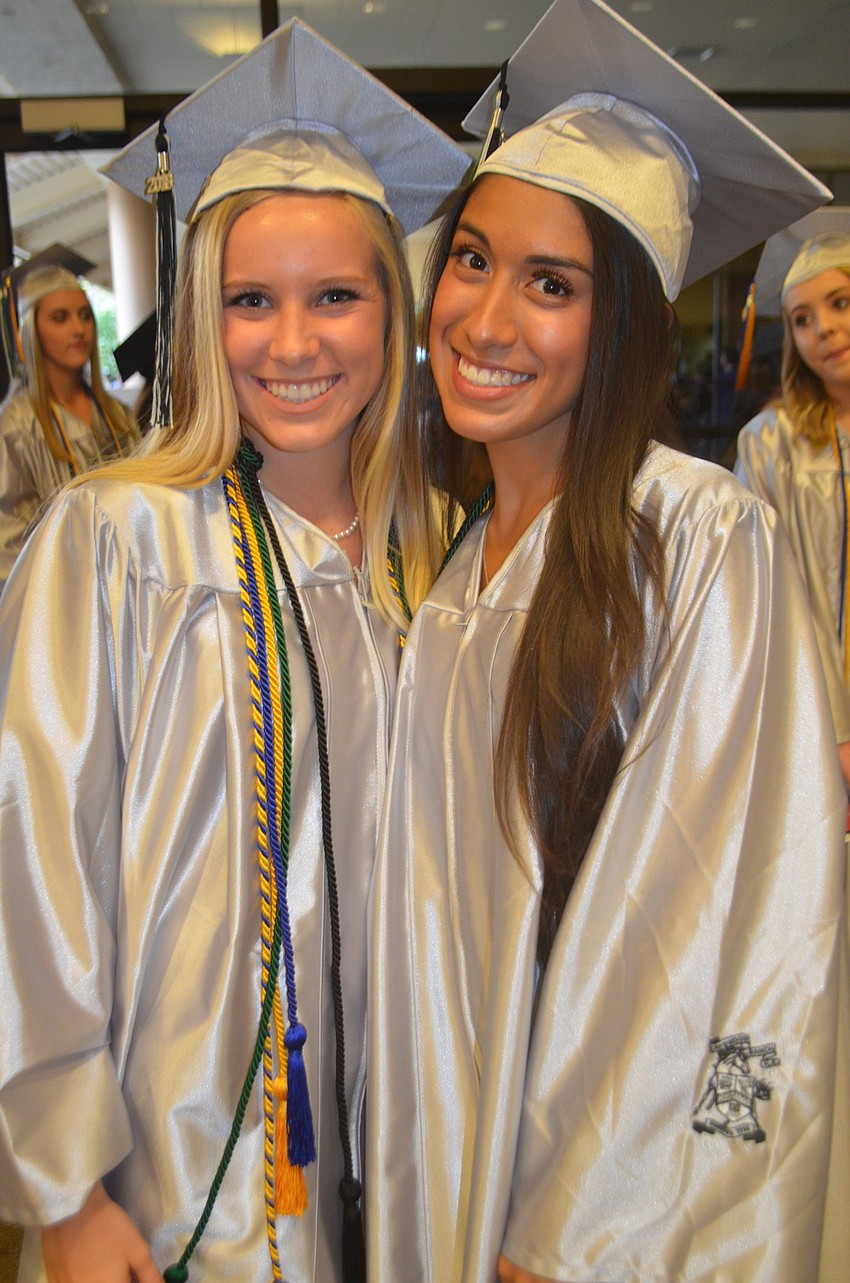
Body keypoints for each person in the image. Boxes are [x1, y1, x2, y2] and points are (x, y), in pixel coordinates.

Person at [365, 1, 848, 1281]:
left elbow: (702, 909)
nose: (485, 317)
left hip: (606, 1217)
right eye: (471, 259)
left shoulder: (691, 534)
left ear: (619, 318)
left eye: (552, 283)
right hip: (457, 1148)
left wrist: (573, 1227)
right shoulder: (460, 569)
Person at [0, 19, 468, 1283]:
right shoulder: (116, 540)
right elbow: (29, 861)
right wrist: (63, 1181)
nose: (294, 343)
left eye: (337, 296)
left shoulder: (447, 562)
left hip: (407, 1149)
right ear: (200, 314)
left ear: (395, 309)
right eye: (249, 299)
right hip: (174, 1156)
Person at [735, 211, 850, 789]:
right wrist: (832, 730)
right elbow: (770, 593)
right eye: (802, 319)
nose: (823, 329)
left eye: (841, 303)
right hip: (820, 725)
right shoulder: (770, 444)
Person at [0, 260, 138, 592]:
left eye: (85, 315)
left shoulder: (118, 415)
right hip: (60, 600)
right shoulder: (16, 427)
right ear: (32, 330)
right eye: (60, 318)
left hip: (130, 591)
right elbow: (9, 544)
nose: (79, 329)